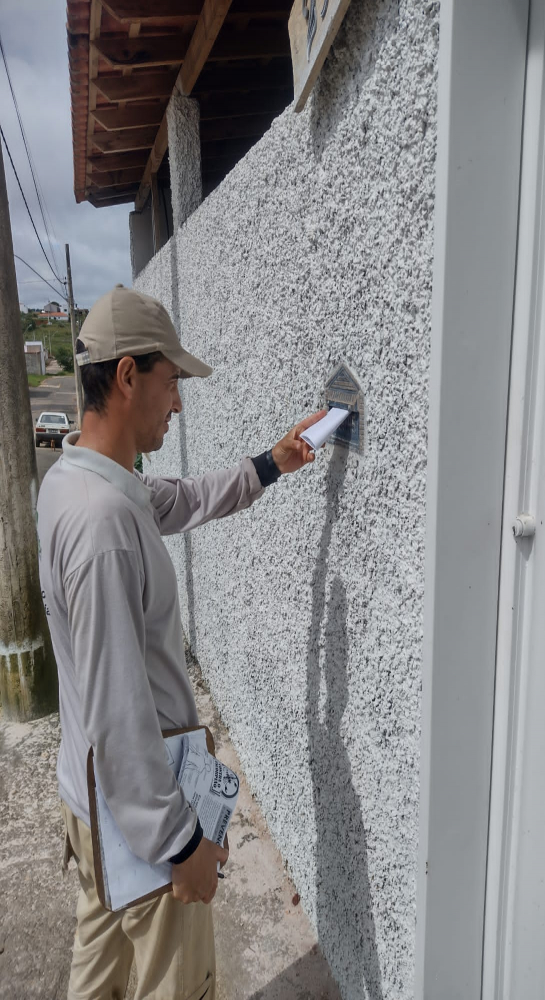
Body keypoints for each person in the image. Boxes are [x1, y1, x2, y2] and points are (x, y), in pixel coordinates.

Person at [37, 284, 325, 1000]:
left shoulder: (80, 481)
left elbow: (183, 498)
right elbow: (119, 711)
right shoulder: (104, 527)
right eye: (171, 383)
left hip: (91, 804)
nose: (178, 402)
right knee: (178, 987)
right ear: (129, 376)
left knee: (96, 978)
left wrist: (270, 462)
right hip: (137, 813)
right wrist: (180, 843)